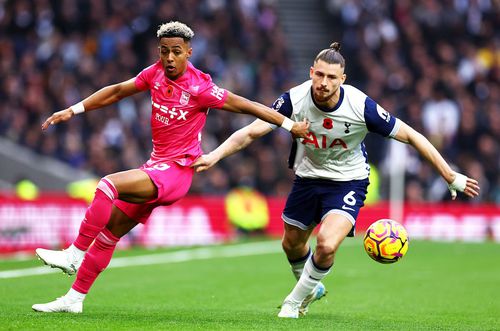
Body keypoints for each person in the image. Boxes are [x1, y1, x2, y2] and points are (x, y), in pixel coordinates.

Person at [31, 21, 309, 313]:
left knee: (107, 185)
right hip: (155, 166)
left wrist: (290, 125)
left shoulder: (201, 88)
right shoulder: (154, 74)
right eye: (164, 51)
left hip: (176, 173)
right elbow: (116, 91)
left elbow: (249, 105)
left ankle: (74, 255)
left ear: (189, 52)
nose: (169, 58)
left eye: (176, 52)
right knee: (108, 235)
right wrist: (73, 110)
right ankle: (74, 300)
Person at [192, 42, 481, 318]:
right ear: (311, 73)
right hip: (308, 177)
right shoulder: (295, 99)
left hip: (348, 181)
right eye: (319, 75)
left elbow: (413, 136)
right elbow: (251, 132)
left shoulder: (361, 106)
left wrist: (450, 175)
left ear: (342, 79)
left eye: (331, 77)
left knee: (327, 244)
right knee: (291, 245)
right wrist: (215, 155)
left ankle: (293, 302)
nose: (324, 82)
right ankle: (312, 287)